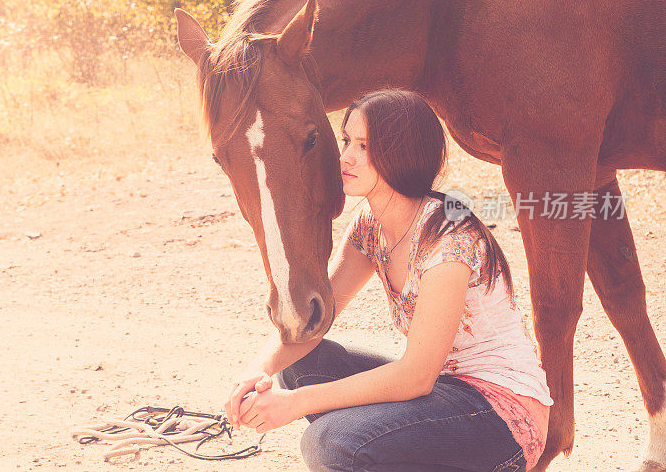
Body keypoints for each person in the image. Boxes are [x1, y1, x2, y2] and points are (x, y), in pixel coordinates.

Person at [224, 89, 552, 471]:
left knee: (330, 442)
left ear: (403, 152)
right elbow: (315, 323)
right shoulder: (370, 224)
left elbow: (415, 376)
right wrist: (254, 373)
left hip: (499, 416)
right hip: (444, 394)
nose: (345, 156)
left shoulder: (449, 236)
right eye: (347, 140)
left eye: (364, 146)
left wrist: (296, 404)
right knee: (301, 363)